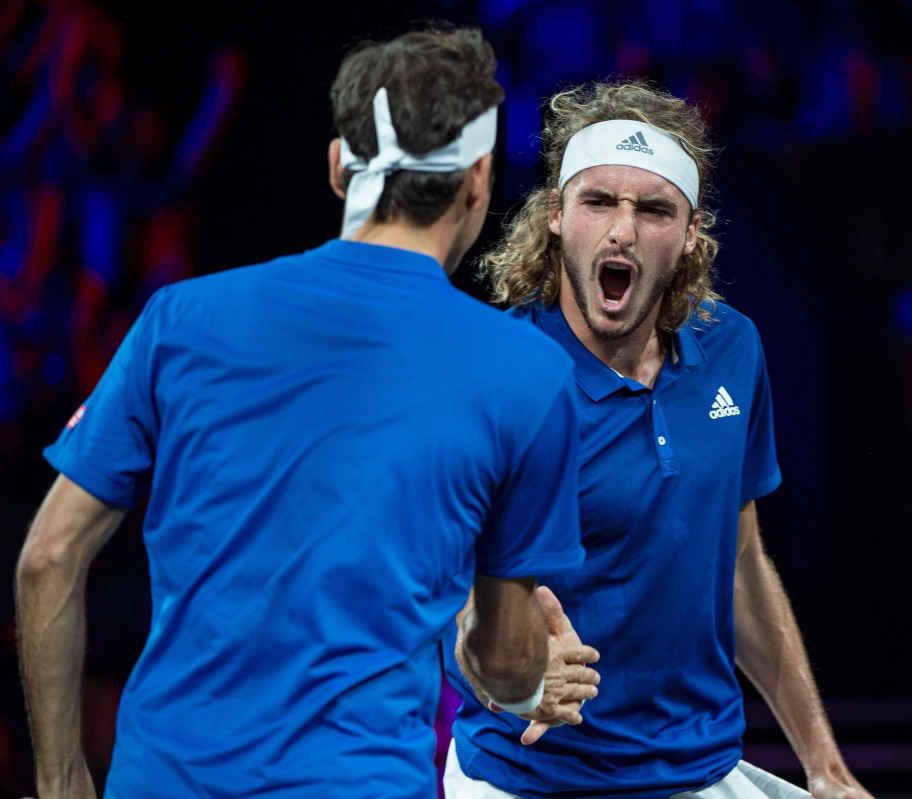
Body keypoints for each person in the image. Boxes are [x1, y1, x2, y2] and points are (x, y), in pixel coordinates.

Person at [15, 25, 594, 799]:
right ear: (480, 179)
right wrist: (526, 675)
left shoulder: (180, 319)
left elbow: (47, 559)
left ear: (336, 168)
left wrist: (60, 782)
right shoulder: (531, 373)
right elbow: (501, 663)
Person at [442, 80, 872, 799]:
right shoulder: (498, 377)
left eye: (653, 209)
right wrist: (514, 676)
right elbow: (447, 595)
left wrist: (826, 768)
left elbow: (740, 563)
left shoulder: (733, 347)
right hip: (526, 782)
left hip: (697, 772)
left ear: (692, 232)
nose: (622, 231)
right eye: (599, 201)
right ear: (555, 215)